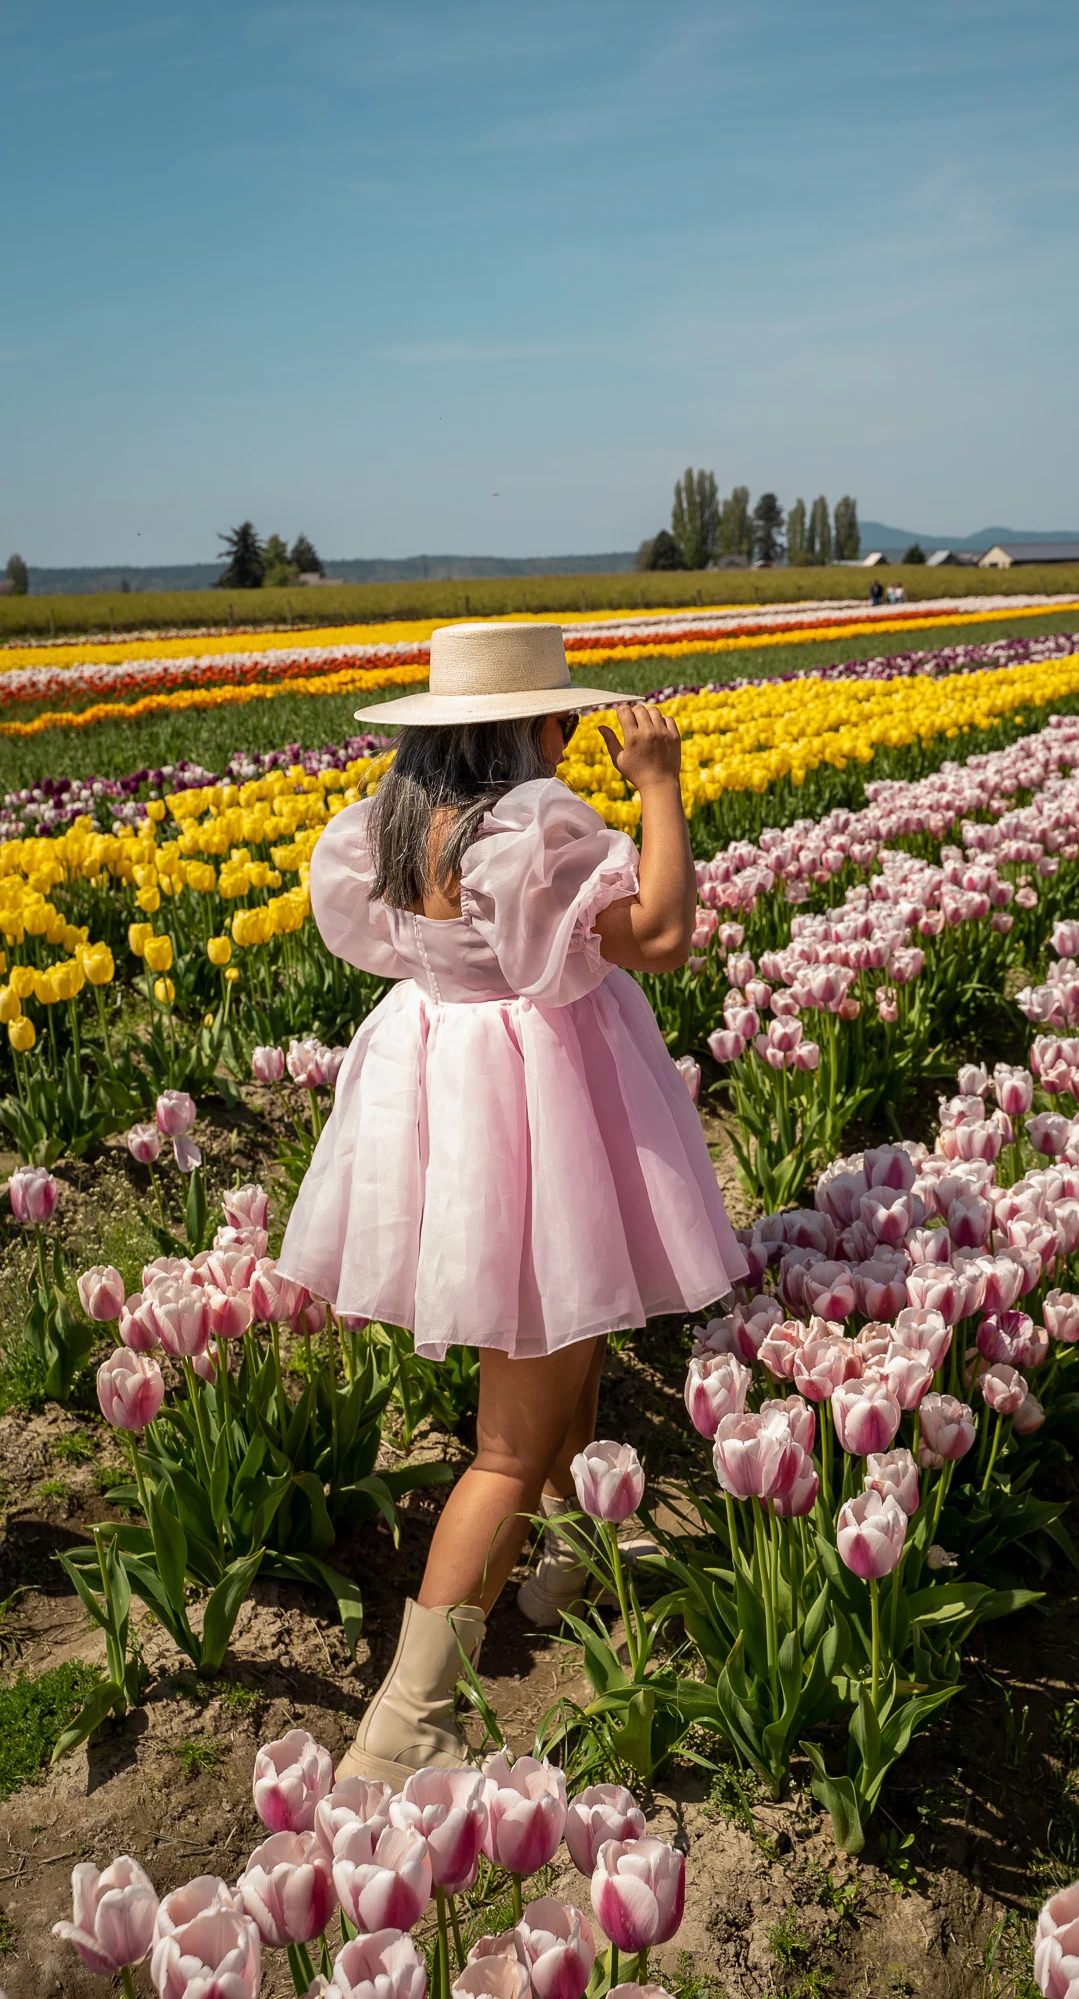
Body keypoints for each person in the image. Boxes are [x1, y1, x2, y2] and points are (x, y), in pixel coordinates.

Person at [278, 620, 746, 1787]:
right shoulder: (532, 828)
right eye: (566, 722)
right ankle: (406, 1718)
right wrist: (661, 788)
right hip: (538, 1117)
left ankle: (565, 1557)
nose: (575, 738)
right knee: (506, 1438)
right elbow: (668, 933)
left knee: (567, 1347)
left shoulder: (397, 828)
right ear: (527, 729)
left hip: (454, 1108)